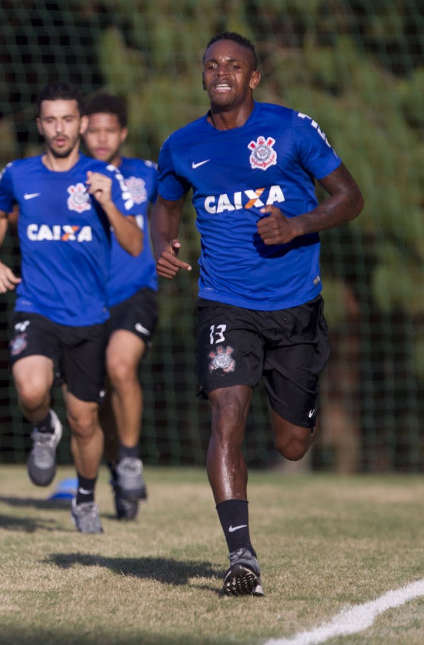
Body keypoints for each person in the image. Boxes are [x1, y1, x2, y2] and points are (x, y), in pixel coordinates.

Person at [152, 32, 363, 596]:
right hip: (225, 303)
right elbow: (165, 204)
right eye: (212, 64)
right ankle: (241, 556)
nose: (222, 72)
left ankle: (299, 412)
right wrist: (162, 247)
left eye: (234, 65)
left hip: (295, 305)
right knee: (226, 415)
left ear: (253, 78)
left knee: (293, 442)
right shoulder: (181, 144)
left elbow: (350, 197)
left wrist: (297, 225)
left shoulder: (291, 128)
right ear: (203, 76)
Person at [0, 81, 143, 533]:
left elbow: (133, 244)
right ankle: (41, 427)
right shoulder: (18, 173)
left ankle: (87, 497)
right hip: (36, 305)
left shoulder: (104, 177)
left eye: (68, 119)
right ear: (39, 124)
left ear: (82, 124)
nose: (59, 128)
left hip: (90, 317)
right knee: (31, 390)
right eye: (50, 119)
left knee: (85, 420)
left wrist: (109, 204)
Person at [82, 93, 158, 521]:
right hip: (84, 300)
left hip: (135, 292)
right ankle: (116, 470)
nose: (102, 137)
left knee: (121, 367)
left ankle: (130, 459)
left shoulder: (145, 174)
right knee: (95, 402)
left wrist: (167, 243)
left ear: (123, 133)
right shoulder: (69, 177)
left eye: (110, 129)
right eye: (93, 130)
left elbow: (169, 210)